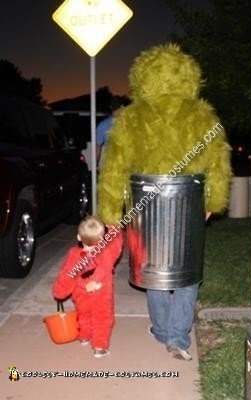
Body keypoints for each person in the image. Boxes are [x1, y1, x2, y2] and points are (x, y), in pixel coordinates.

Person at [98, 43, 232, 361]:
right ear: (189, 76)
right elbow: (219, 164)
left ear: (142, 77)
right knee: (187, 272)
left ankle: (161, 330)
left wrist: (110, 211)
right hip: (189, 204)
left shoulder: (130, 119)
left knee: (152, 267)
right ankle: (177, 337)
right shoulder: (202, 116)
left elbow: (113, 168)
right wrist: (214, 199)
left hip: (145, 207)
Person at [52, 216, 123, 358]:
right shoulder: (106, 252)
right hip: (101, 294)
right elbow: (115, 247)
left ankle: (84, 336)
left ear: (79, 237)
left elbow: (66, 275)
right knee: (102, 319)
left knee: (84, 315)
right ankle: (99, 347)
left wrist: (59, 292)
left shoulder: (73, 254)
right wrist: (116, 229)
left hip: (80, 294)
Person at [96, 95, 124, 169]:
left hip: (107, 160)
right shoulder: (127, 124)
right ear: (122, 107)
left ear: (111, 108)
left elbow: (98, 147)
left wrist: (96, 163)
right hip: (121, 160)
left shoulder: (102, 124)